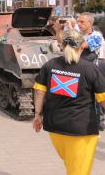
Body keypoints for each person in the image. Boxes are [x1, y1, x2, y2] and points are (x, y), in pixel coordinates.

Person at [33, 29, 105, 175]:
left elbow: (39, 91)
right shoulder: (90, 68)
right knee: (78, 171)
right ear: (81, 46)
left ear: (62, 45)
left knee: (72, 166)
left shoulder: (50, 65)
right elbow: (103, 99)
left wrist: (37, 115)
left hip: (55, 127)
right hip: (81, 130)